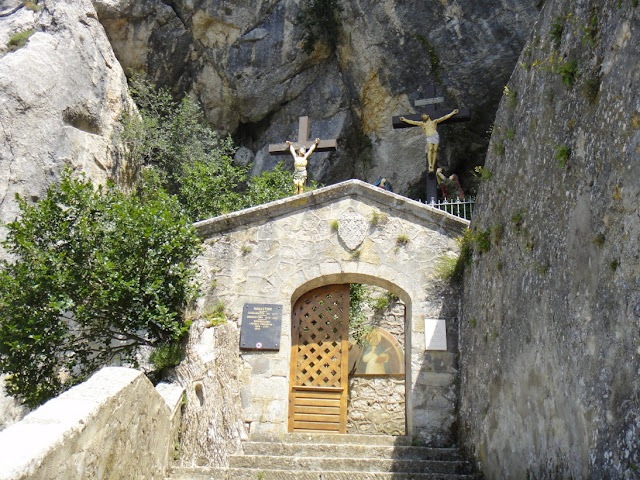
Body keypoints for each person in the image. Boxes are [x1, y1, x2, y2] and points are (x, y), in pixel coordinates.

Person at [399, 109, 459, 174]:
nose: (423, 117)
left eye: (424, 116)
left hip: (435, 136)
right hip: (429, 137)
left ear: (428, 115)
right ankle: (430, 165)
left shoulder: (434, 122)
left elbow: (444, 118)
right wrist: (404, 120)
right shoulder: (423, 124)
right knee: (430, 149)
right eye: (423, 117)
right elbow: (413, 122)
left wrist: (453, 113)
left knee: (435, 150)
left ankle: (432, 165)